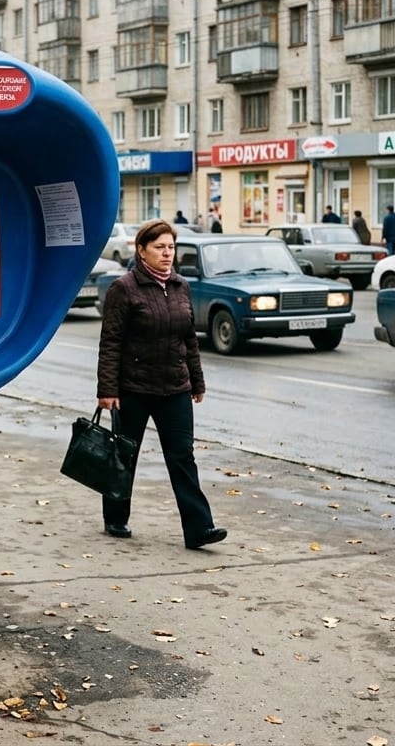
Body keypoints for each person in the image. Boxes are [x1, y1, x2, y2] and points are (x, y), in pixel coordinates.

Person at [95, 219, 227, 549]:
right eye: (160, 247)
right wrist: (107, 390)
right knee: (125, 456)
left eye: (171, 247)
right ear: (142, 251)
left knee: (183, 457)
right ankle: (115, 517)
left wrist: (197, 382)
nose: (167, 254)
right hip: (133, 390)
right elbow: (110, 341)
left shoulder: (181, 286)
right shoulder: (124, 289)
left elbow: (189, 340)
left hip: (175, 389)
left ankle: (199, 529)